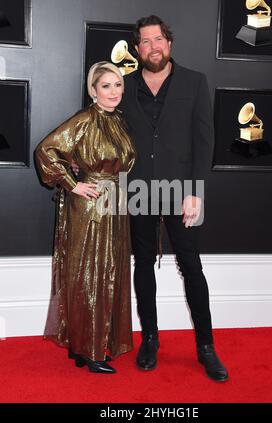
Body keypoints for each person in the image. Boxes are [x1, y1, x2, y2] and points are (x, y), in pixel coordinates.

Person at [121, 15, 229, 382]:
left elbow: (204, 140)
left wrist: (196, 191)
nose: (154, 47)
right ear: (138, 49)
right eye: (146, 41)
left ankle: (206, 346)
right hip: (138, 190)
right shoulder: (123, 86)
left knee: (192, 266)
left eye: (159, 39)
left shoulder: (195, 82)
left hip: (184, 192)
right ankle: (149, 339)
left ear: (169, 43)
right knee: (143, 265)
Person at [35, 61, 136, 374]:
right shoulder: (85, 119)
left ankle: (83, 345)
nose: (113, 91)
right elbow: (46, 150)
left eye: (117, 84)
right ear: (93, 91)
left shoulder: (118, 119)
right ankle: (90, 350)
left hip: (115, 203)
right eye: (106, 85)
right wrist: (72, 183)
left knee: (109, 272)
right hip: (91, 207)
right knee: (89, 274)